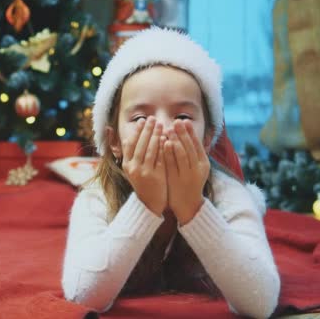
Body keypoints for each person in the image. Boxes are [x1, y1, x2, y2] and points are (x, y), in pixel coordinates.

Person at [61, 27, 280, 318]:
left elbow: (261, 303)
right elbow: (82, 295)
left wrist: (193, 207)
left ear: (206, 138)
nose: (163, 128)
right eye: (140, 118)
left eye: (183, 116)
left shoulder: (227, 192)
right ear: (114, 141)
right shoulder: (96, 197)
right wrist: (146, 204)